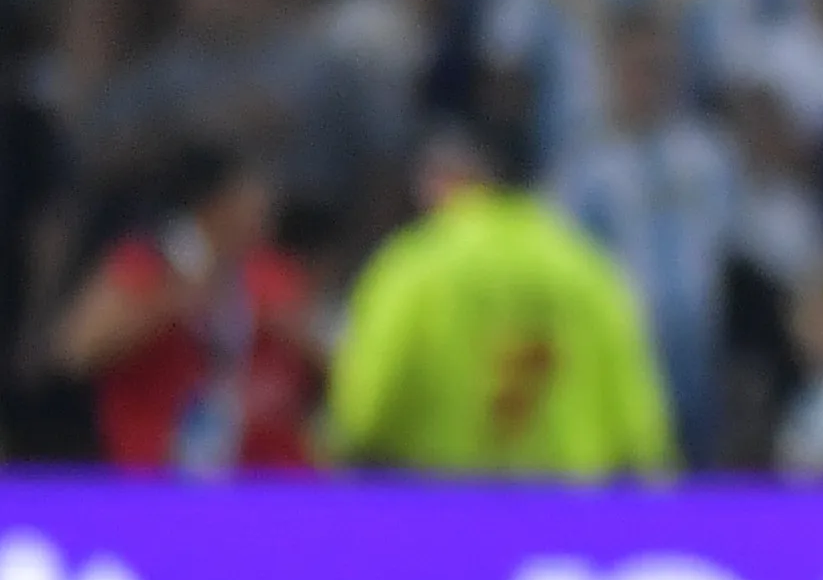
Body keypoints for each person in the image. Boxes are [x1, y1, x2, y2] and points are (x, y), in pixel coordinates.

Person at [326, 120, 676, 480]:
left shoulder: (412, 269)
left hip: (444, 507)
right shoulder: (589, 269)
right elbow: (640, 424)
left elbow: (366, 413)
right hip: (565, 514)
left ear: (442, 180)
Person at [50, 142, 325, 475]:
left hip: (268, 478)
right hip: (157, 475)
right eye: (252, 192)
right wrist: (173, 303)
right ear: (214, 203)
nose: (265, 205)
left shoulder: (270, 275)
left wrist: (294, 333)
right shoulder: (147, 266)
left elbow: (329, 359)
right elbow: (77, 351)